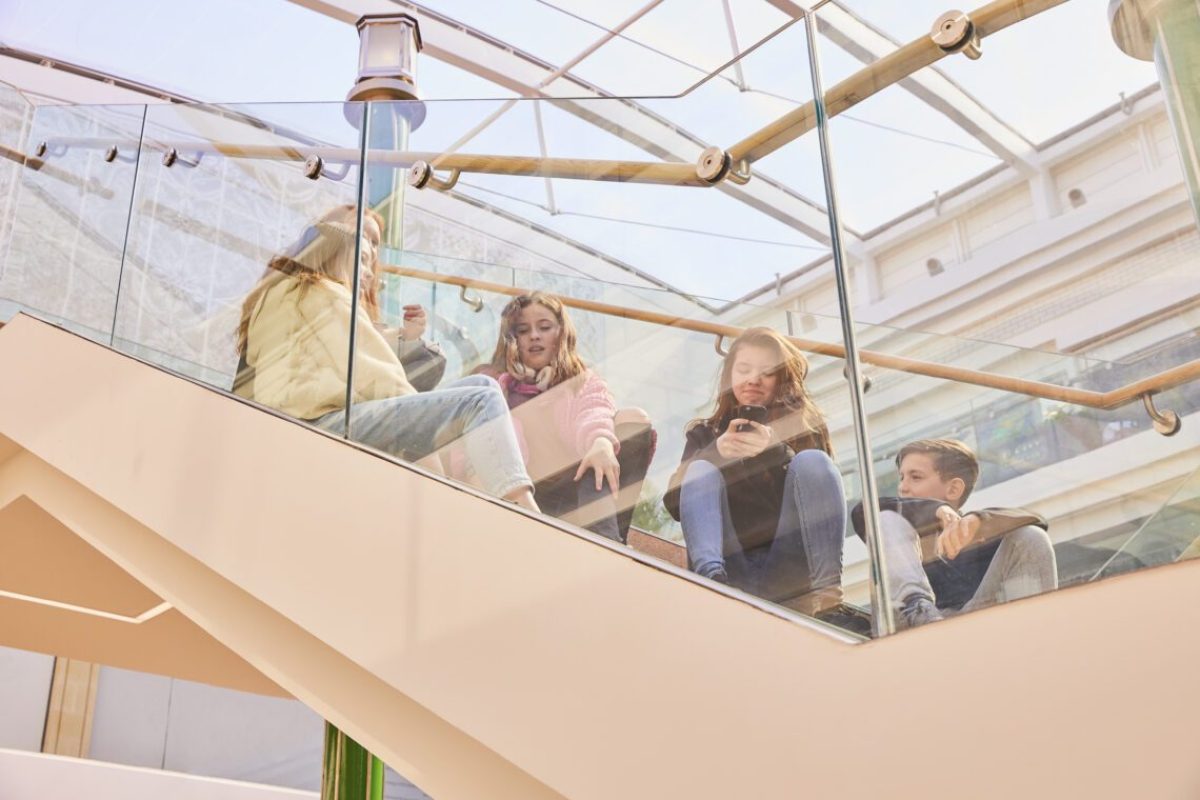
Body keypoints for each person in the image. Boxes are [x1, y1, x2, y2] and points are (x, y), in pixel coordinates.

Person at [233, 204, 538, 512]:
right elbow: (374, 373)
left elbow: (339, 352)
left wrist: (404, 337)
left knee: (484, 386)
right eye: (362, 255)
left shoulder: (286, 292)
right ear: (337, 247)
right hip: (319, 421)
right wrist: (429, 450)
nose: (369, 267)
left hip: (305, 417)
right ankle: (525, 511)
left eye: (374, 250)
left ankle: (496, 496)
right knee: (479, 400)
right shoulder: (324, 292)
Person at [664, 327, 857, 626]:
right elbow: (675, 506)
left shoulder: (803, 427)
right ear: (730, 376)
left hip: (792, 572)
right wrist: (716, 453)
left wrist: (774, 451)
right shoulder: (704, 433)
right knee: (699, 469)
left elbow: (819, 493)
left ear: (780, 378)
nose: (754, 379)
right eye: (744, 369)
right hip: (728, 565)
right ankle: (710, 584)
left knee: (812, 462)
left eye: (767, 372)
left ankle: (829, 598)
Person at [475, 291, 655, 542]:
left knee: (629, 423)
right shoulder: (496, 388)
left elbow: (595, 410)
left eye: (545, 327)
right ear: (511, 339)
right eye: (523, 330)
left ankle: (607, 542)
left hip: (584, 494)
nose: (534, 335)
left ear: (561, 334)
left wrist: (601, 442)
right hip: (528, 500)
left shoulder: (581, 380)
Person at [850, 438, 1058, 629]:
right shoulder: (895, 529)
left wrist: (979, 520)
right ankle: (917, 608)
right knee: (885, 518)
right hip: (907, 629)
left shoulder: (981, 535)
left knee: (1030, 535)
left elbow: (1036, 520)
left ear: (953, 489)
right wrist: (933, 510)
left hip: (974, 628)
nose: (903, 487)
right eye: (902, 477)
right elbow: (863, 511)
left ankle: (1034, 630)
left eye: (915, 477)